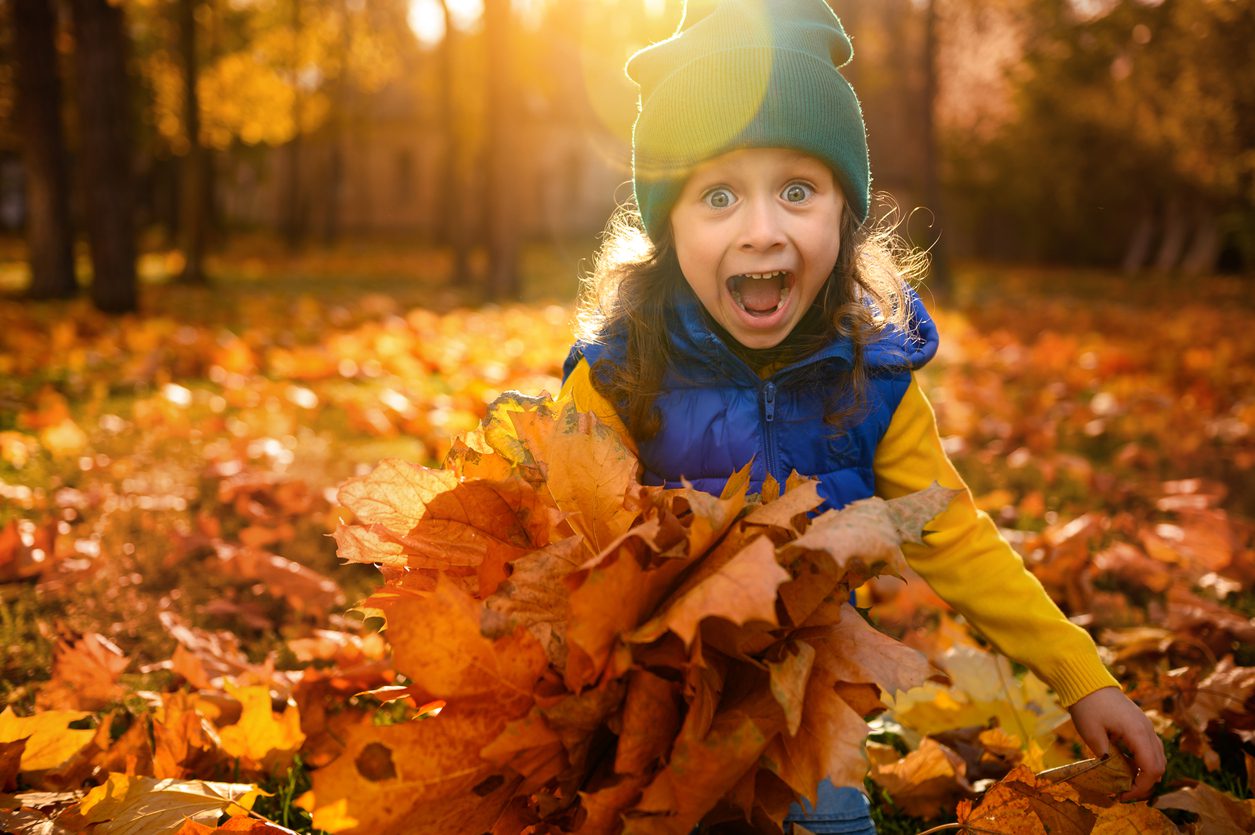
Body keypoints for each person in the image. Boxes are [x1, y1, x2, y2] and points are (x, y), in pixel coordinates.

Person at [557, 0, 1166, 831]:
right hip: (655, 710)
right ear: (668, 224)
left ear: (844, 215)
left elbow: (951, 532)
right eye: (720, 194)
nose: (762, 230)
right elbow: (553, 549)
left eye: (798, 189)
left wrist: (1080, 673)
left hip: (810, 709)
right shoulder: (621, 375)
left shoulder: (871, 380)